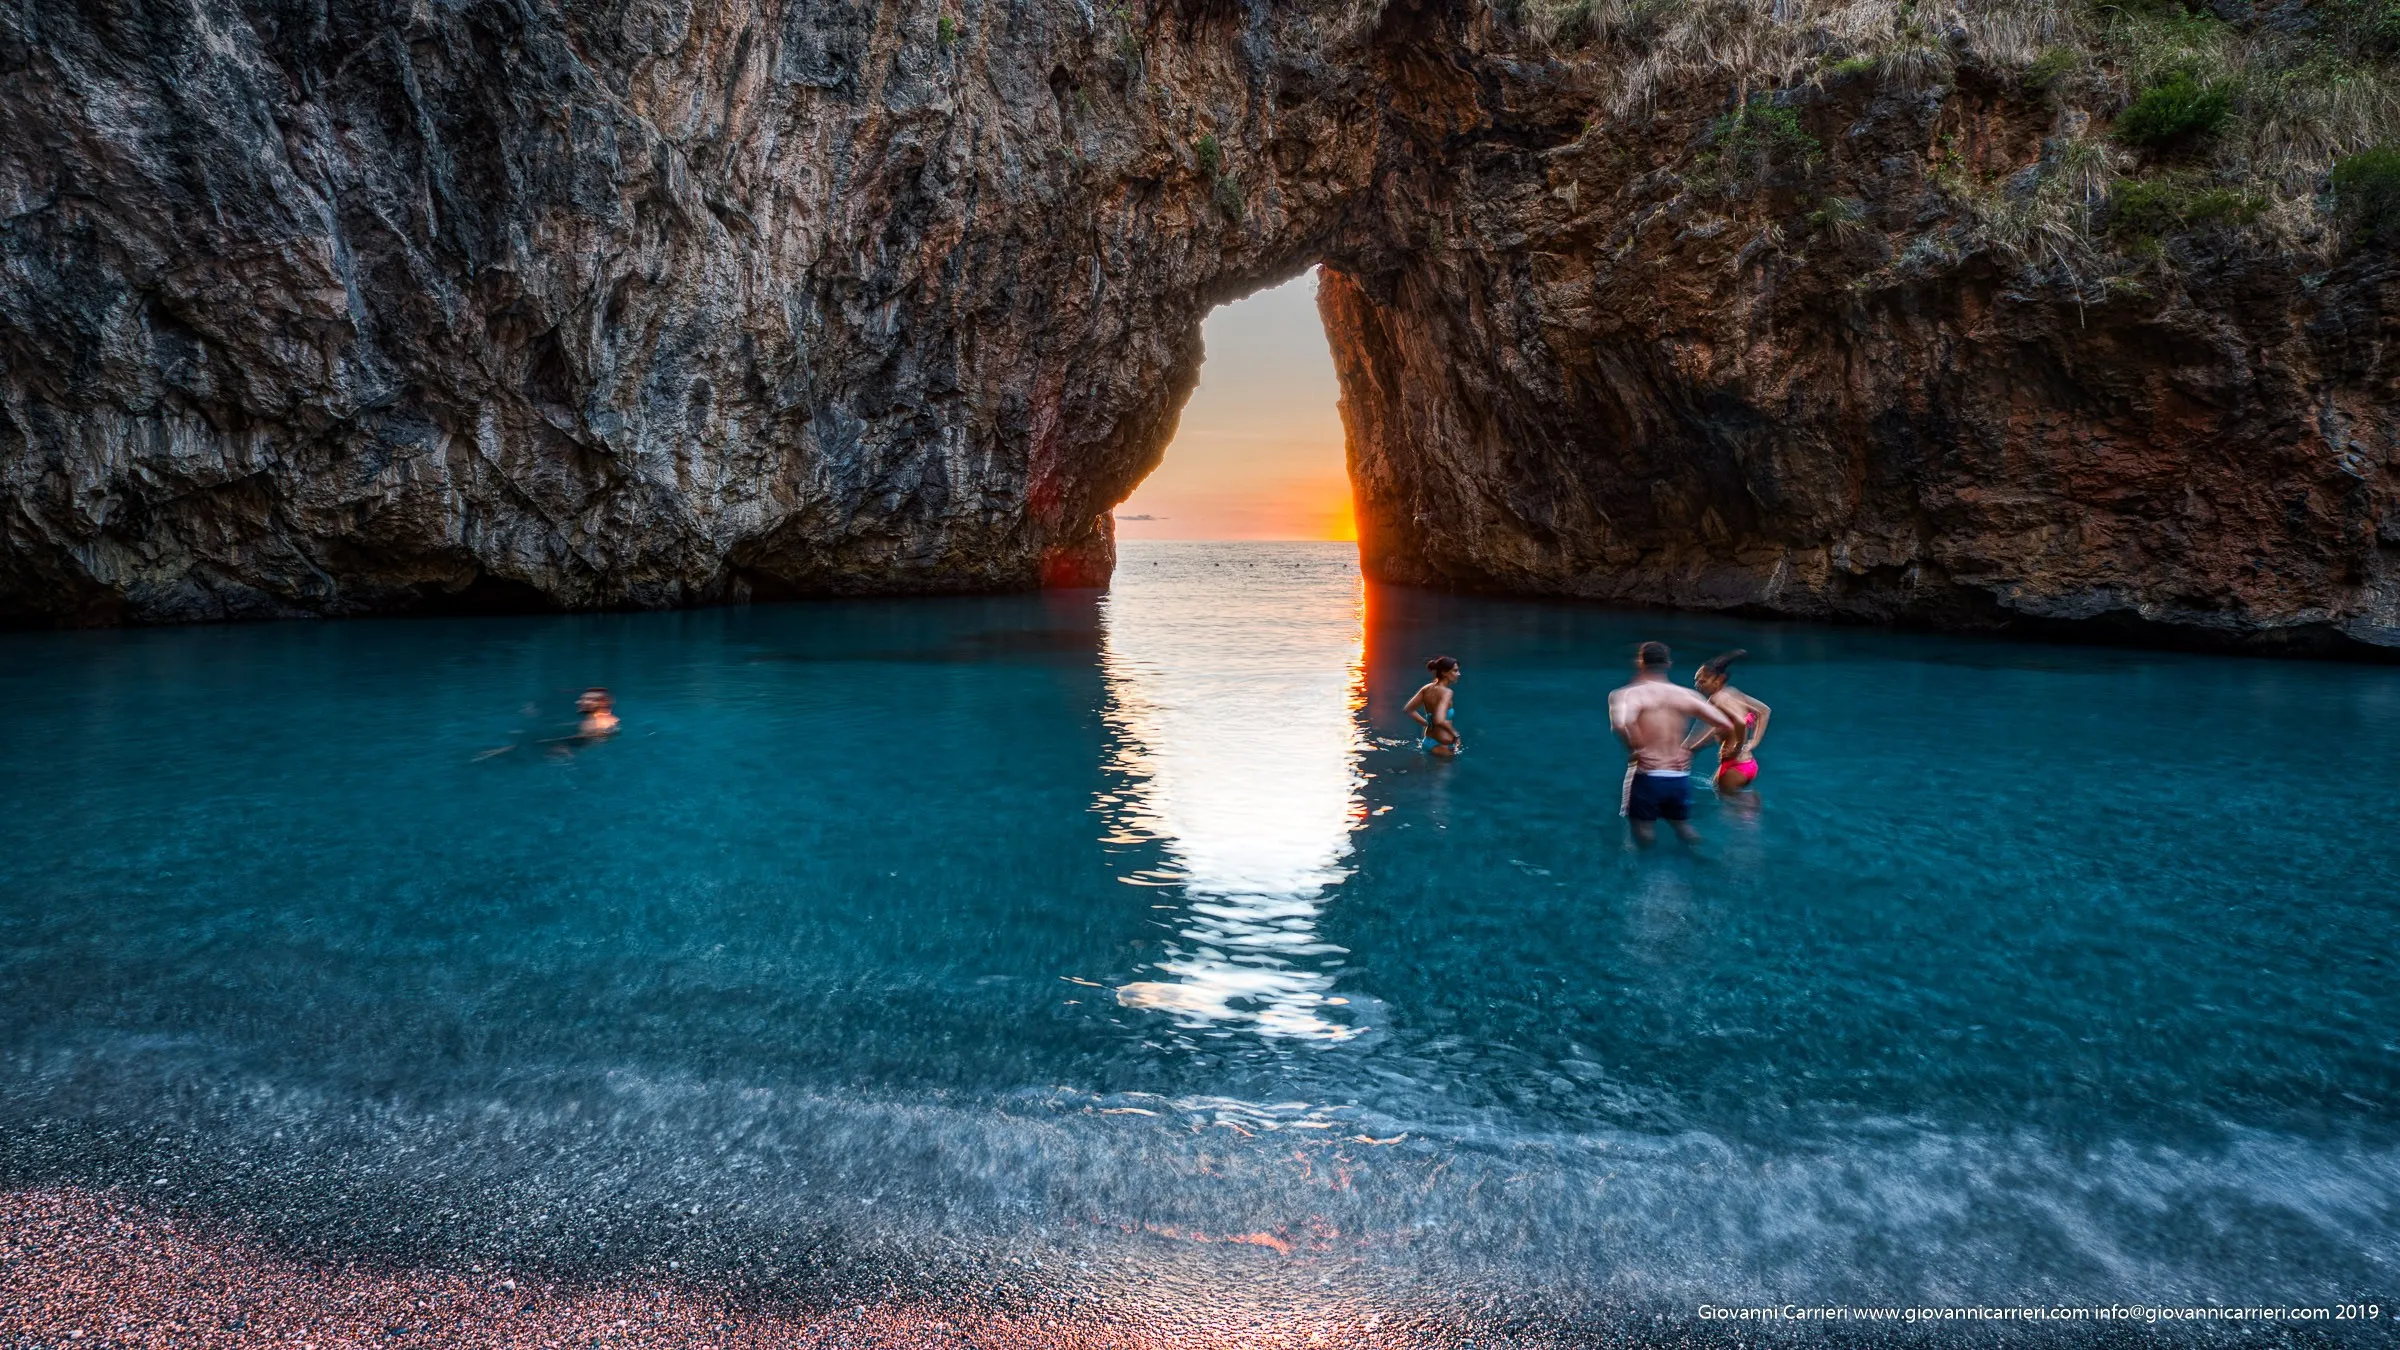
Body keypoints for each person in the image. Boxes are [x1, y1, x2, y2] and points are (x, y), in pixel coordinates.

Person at [1608, 642, 1740, 845]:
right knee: (1683, 827)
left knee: (1643, 832)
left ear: (1640, 662)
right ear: (1668, 663)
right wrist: (1689, 750)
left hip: (1647, 775)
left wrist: (1636, 750)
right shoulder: (1686, 695)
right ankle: (1699, 859)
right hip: (1678, 776)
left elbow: (1621, 723)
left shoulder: (1627, 694)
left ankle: (1645, 869)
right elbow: (1725, 723)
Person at [1685, 649, 1771, 793]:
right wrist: (1752, 743)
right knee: (1725, 795)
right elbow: (1764, 711)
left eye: (1703, 681)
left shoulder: (1717, 699)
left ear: (1719, 680)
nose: (1697, 685)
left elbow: (1740, 722)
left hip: (1734, 766)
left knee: (1731, 807)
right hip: (1747, 763)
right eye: (1696, 681)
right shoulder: (1732, 693)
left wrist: (1738, 747)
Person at [1404, 656, 1462, 756]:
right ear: (1444, 672)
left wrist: (1427, 724)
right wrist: (1455, 735)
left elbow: (1409, 709)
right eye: (1455, 671)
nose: (1458, 674)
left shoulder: (1427, 688)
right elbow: (1439, 720)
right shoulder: (1447, 692)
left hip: (1427, 741)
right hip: (1442, 746)